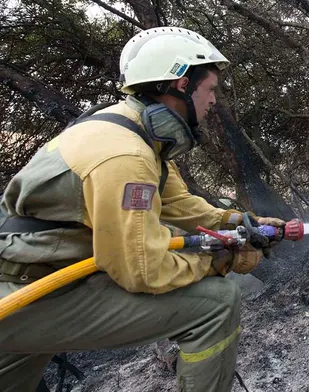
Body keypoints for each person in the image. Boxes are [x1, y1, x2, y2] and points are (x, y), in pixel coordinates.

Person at [0, 27, 284, 391]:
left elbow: (177, 203)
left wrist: (240, 222)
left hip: (32, 279)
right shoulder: (125, 155)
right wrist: (220, 260)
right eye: (211, 89)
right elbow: (143, 270)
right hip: (33, 292)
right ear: (182, 84)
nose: (214, 101)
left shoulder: (125, 131)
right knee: (216, 304)